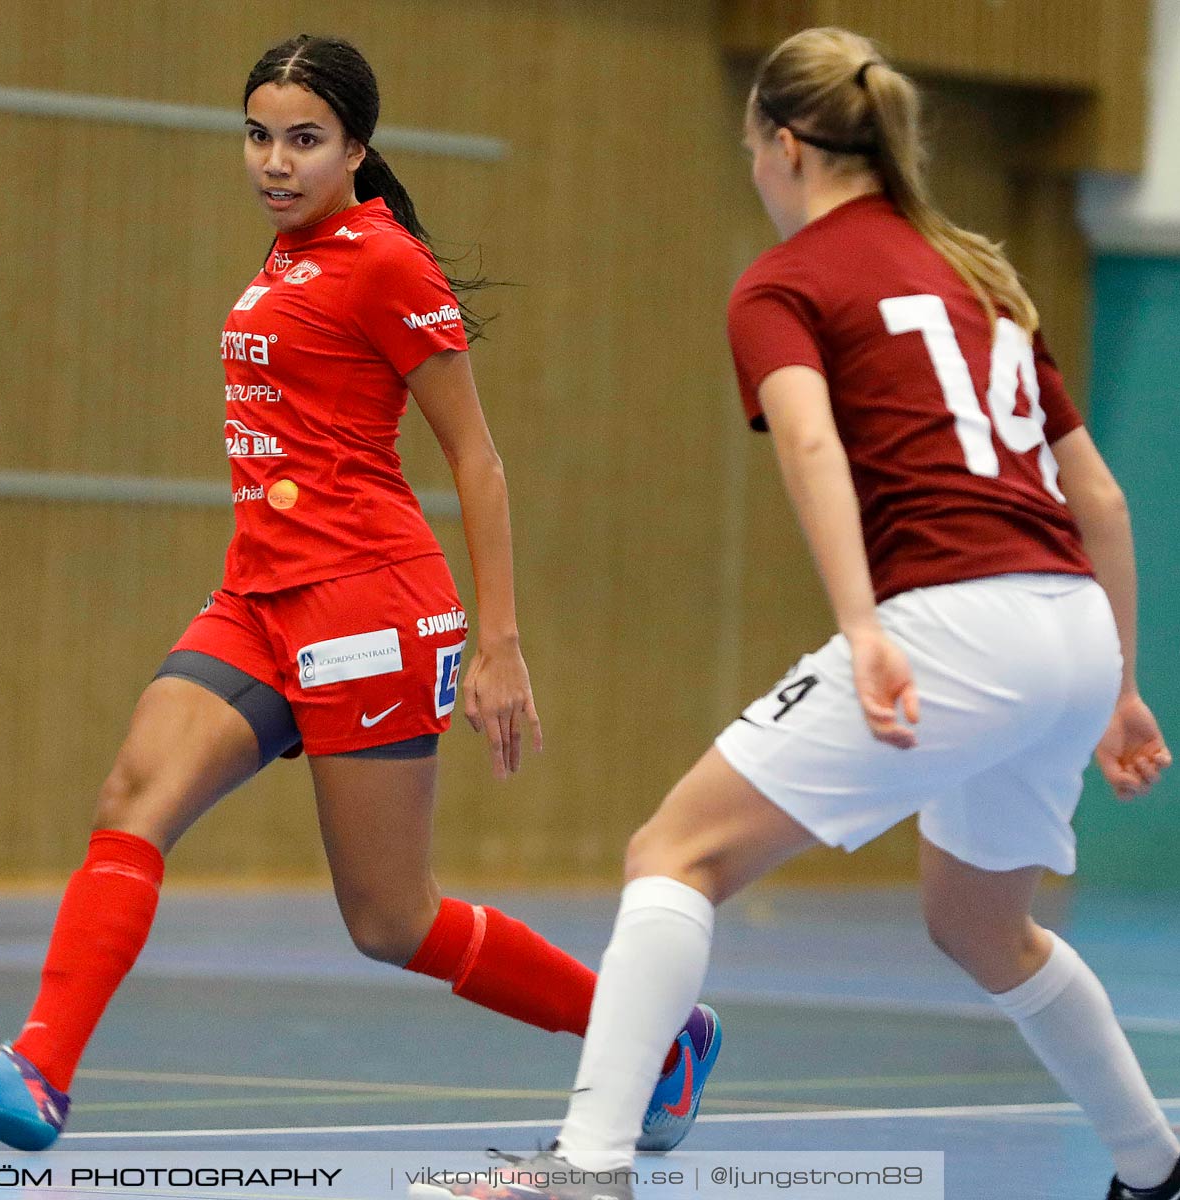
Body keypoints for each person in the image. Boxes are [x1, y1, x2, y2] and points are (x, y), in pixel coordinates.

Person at [414, 26, 1177, 1200]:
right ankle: (1151, 1165)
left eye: (749, 155)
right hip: (1068, 625)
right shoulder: (981, 279)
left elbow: (813, 443)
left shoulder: (787, 281)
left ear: (782, 147)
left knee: (673, 853)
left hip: (956, 621)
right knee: (983, 929)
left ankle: (586, 1165)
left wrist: (865, 626)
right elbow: (1102, 497)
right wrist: (1118, 687)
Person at [0, 33, 720, 1153]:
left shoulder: (383, 262)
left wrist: (498, 642)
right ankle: (42, 1074)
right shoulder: (284, 256)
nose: (275, 162)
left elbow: (477, 460)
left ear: (357, 147)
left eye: (304, 141)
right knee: (132, 801)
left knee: (388, 921)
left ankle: (655, 1040)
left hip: (367, 610)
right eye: (259, 137)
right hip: (256, 597)